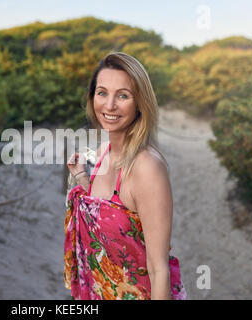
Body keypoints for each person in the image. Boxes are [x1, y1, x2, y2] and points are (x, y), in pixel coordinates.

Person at [64, 51, 187, 300]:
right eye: (102, 93)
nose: (109, 106)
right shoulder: (101, 153)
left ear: (140, 103)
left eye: (123, 95)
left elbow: (158, 269)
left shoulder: (147, 168)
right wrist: (81, 178)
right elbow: (105, 214)